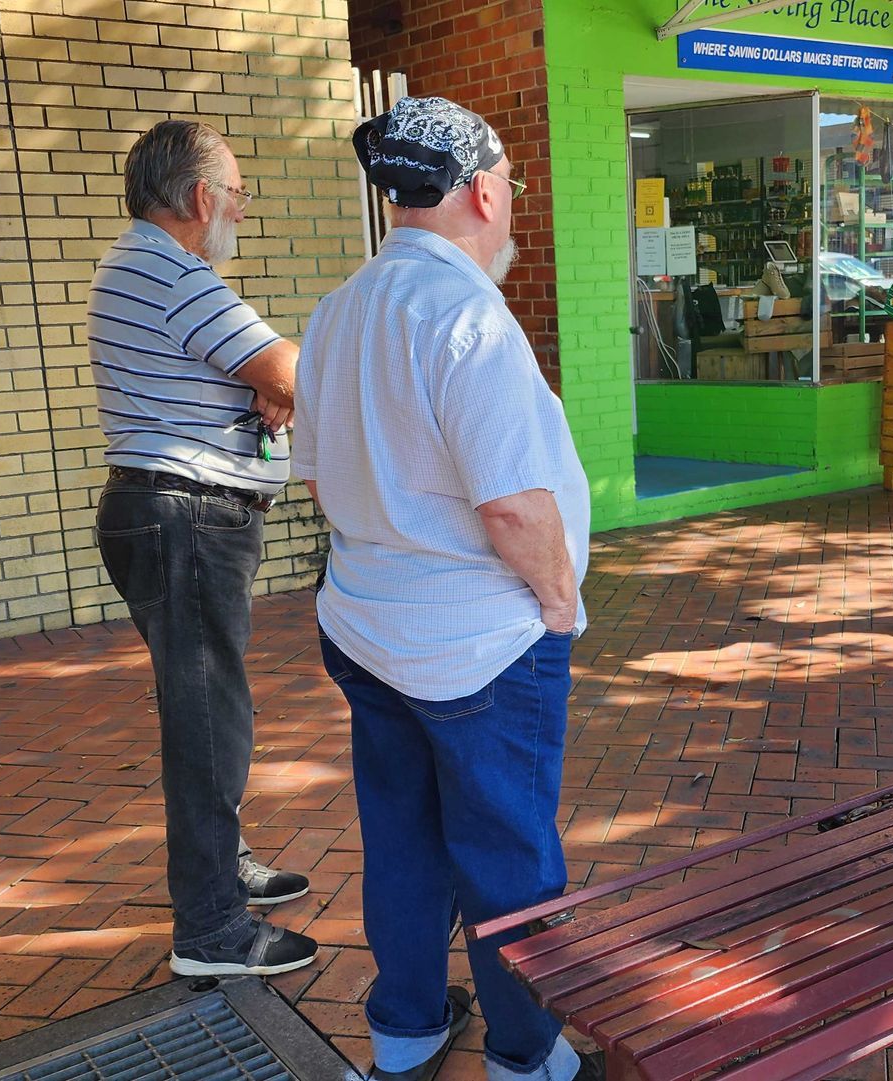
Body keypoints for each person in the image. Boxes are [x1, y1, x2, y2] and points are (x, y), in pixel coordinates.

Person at [293, 97, 599, 1081]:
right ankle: (525, 1053)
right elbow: (513, 506)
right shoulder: (469, 316)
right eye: (509, 184)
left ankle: (408, 1029)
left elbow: (316, 476)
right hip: (481, 642)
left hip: (368, 623)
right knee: (508, 859)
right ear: (481, 190)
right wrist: (558, 601)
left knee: (404, 841)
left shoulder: (337, 312)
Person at [87, 119, 315, 977]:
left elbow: (266, 378)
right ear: (197, 197)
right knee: (209, 717)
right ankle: (213, 929)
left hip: (174, 513)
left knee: (208, 710)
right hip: (186, 516)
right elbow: (287, 367)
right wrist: (277, 382)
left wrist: (269, 386)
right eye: (239, 194)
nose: (242, 213)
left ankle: (224, 866)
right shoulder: (170, 269)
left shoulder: (147, 264)